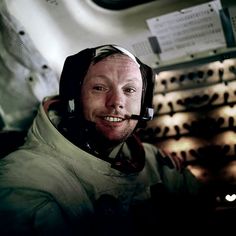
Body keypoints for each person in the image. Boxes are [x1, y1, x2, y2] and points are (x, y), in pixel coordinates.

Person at [0, 44, 206, 236]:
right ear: (73, 99)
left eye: (130, 90)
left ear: (144, 108)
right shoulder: (24, 181)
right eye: (99, 87)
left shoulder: (153, 160)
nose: (116, 102)